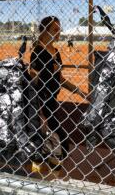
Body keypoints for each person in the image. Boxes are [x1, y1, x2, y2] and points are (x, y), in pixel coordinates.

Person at [29, 16, 87, 171]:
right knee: (54, 134)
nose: (59, 32)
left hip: (52, 99)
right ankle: (49, 168)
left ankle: (44, 162)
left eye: (59, 29)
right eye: (55, 29)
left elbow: (60, 79)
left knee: (50, 133)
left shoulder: (56, 52)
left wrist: (79, 91)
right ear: (45, 31)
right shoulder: (38, 52)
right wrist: (37, 105)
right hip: (41, 99)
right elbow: (33, 79)